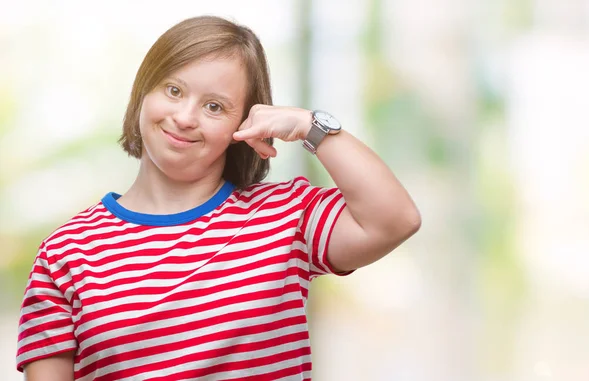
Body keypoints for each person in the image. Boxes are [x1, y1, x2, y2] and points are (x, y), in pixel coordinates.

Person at [16, 15, 421, 381]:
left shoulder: (285, 216)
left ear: (244, 124)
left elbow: (396, 219)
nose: (186, 117)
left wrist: (307, 124)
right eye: (173, 90)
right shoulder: (65, 251)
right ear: (142, 92)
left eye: (214, 106)